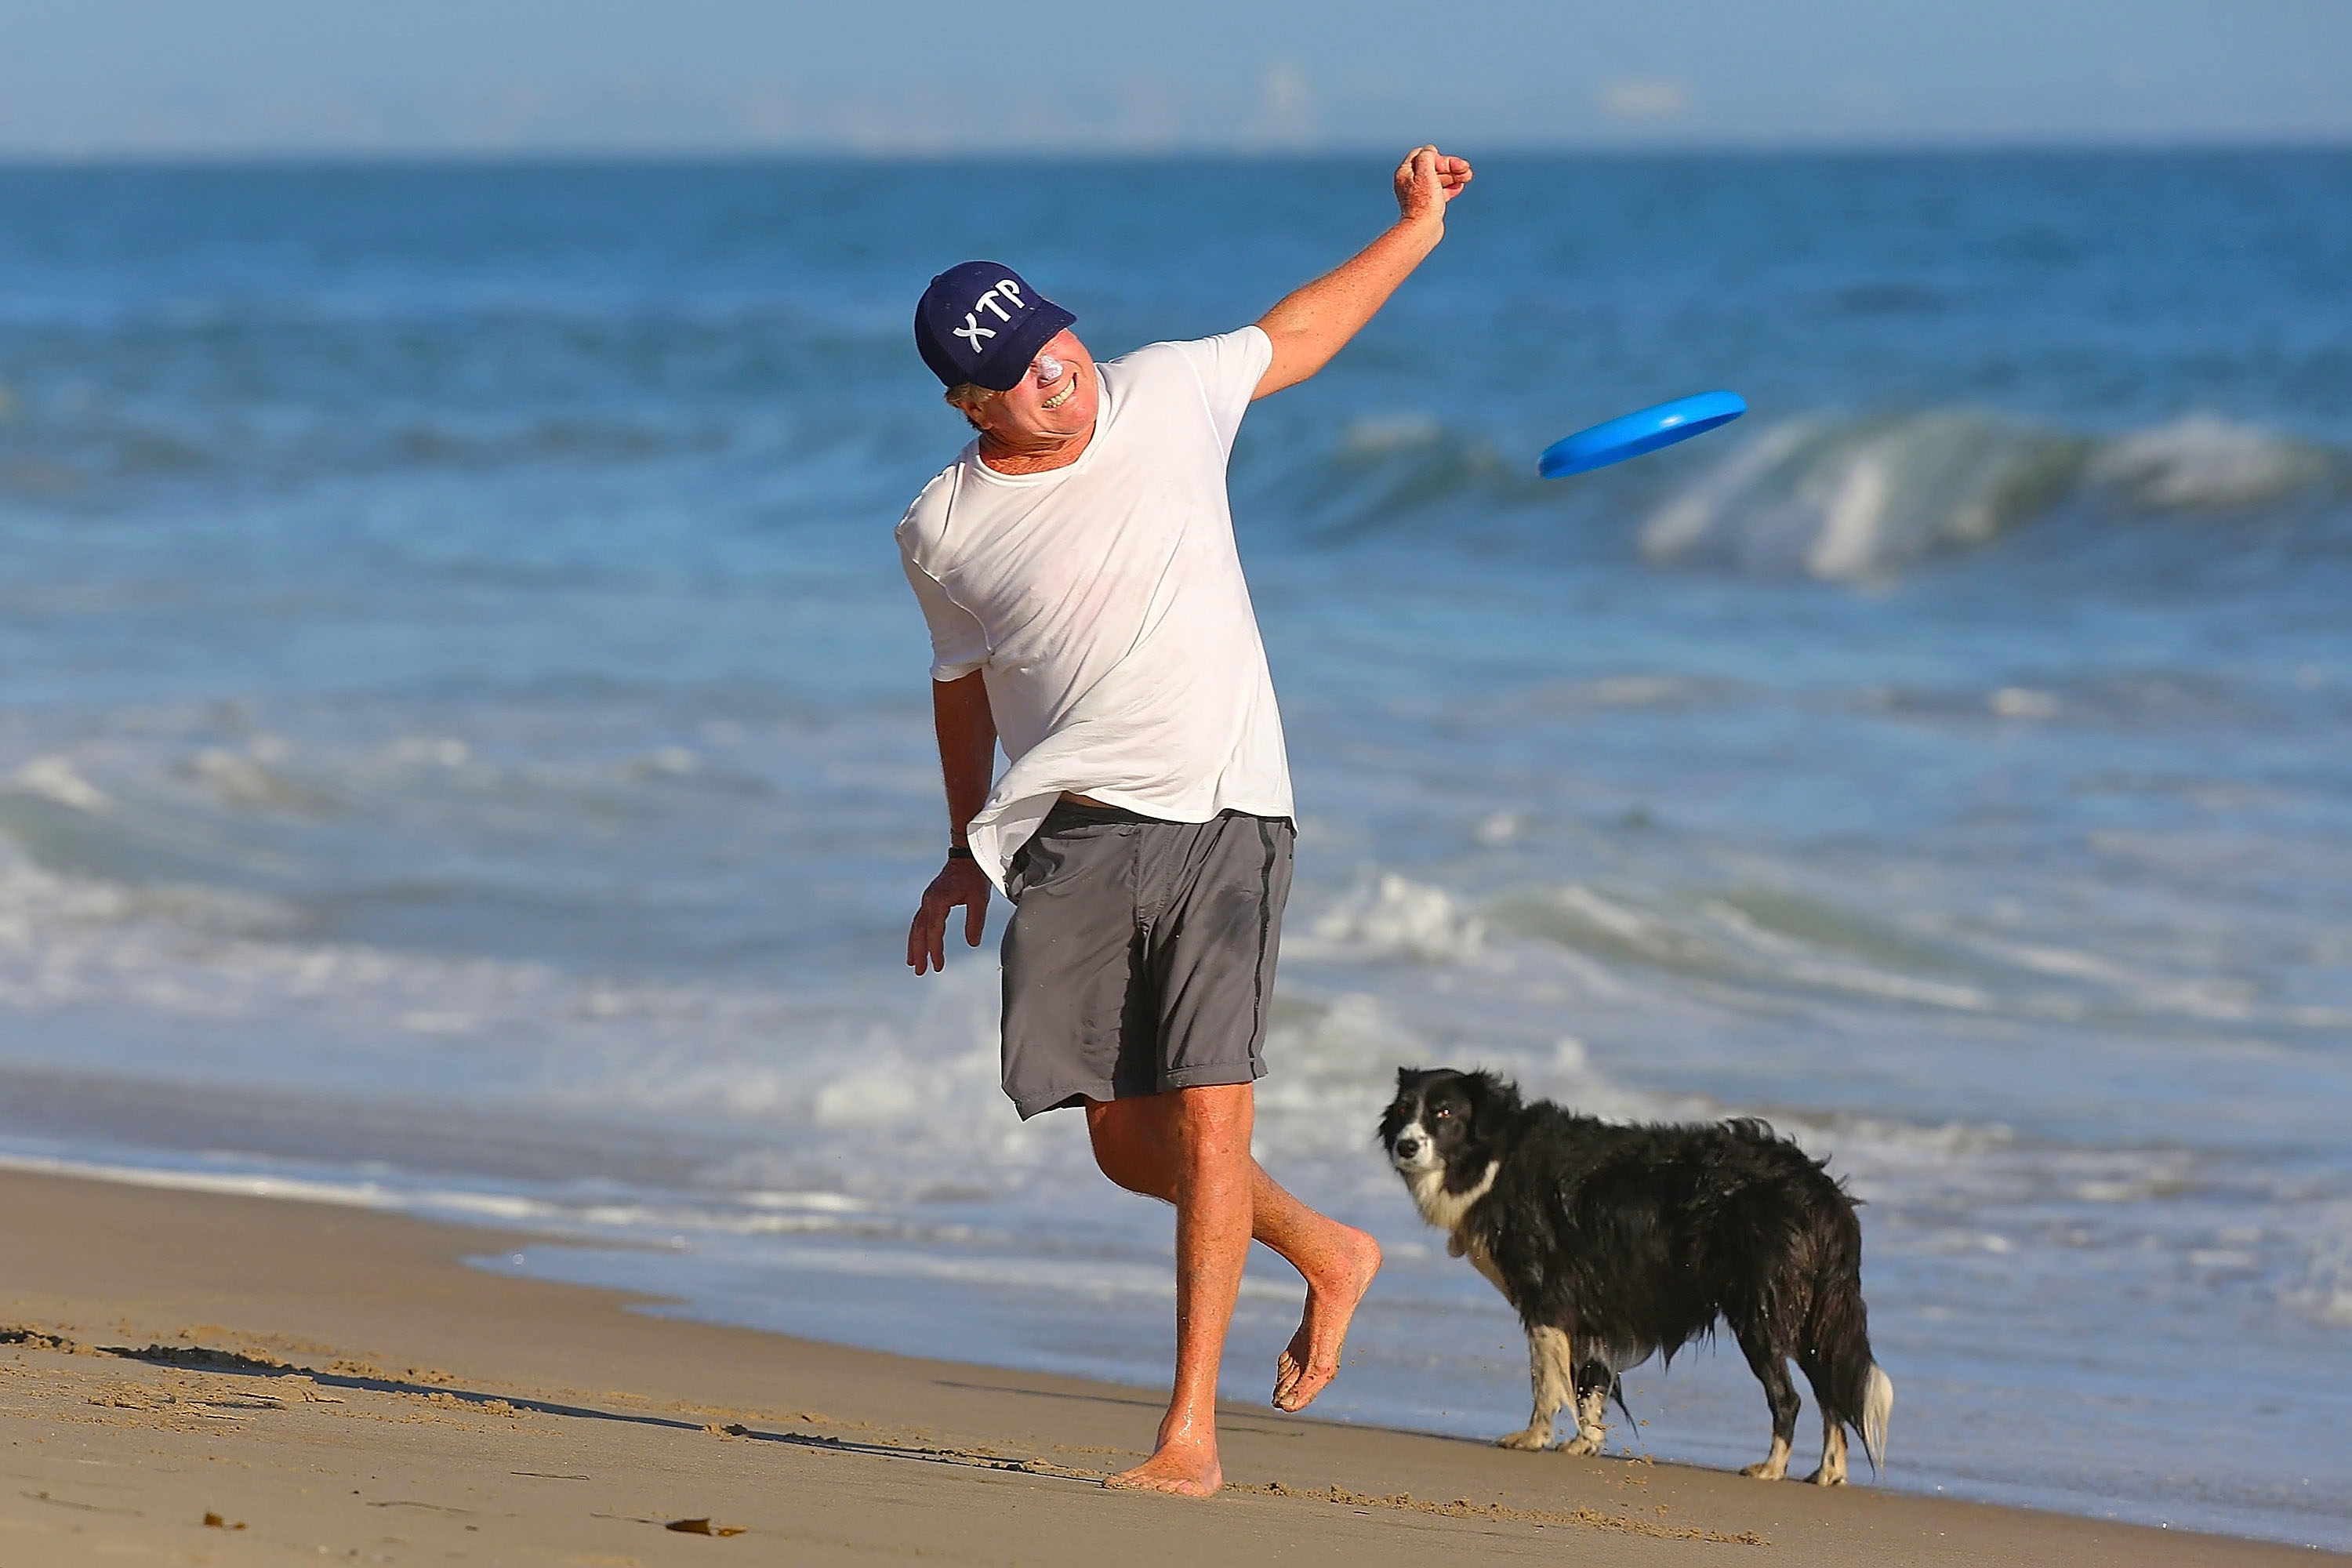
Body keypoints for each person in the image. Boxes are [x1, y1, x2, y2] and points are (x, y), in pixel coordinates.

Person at [898, 146, 1474, 1497]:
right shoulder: (943, 529)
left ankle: (1189, 1437)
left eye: (1055, 338)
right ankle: (1328, 1248)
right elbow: (961, 694)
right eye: (1019, 369)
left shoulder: (1165, 391)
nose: (1057, 370)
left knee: (1212, 1119)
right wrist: (959, 845)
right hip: (1072, 834)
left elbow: (1301, 331)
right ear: (965, 400)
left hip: (1225, 807)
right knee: (1116, 1135)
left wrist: (1419, 230)